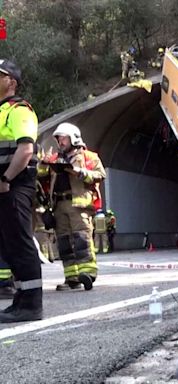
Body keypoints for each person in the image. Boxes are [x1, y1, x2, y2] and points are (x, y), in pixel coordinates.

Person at [0, 58, 43, 322]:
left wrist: (5, 178)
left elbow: (25, 149)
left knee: (20, 243)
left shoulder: (20, 110)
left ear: (11, 82)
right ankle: (21, 299)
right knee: (9, 245)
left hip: (14, 185)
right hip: (4, 187)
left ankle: (31, 305)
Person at [40, 122, 106, 291]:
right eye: (59, 139)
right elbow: (41, 176)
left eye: (63, 138)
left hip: (79, 204)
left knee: (81, 239)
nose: (60, 142)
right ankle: (72, 278)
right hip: (59, 205)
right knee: (64, 243)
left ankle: (88, 273)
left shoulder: (88, 156)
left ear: (74, 138)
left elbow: (100, 175)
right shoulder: (55, 159)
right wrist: (43, 163)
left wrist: (79, 172)